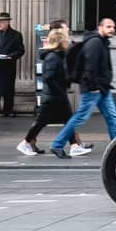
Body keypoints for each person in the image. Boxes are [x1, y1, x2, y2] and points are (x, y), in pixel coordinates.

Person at [51, 17, 116, 159]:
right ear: (99, 27)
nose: (111, 29)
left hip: (102, 88)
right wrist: (92, 86)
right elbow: (90, 66)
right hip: (93, 88)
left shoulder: (102, 42)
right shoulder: (95, 43)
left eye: (113, 27)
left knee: (112, 117)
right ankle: (57, 144)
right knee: (80, 117)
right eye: (108, 26)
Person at [19, 21, 90, 157]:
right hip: (53, 96)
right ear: (59, 42)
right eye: (64, 40)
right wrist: (60, 91)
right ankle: (26, 142)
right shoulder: (52, 57)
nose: (67, 42)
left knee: (64, 121)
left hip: (55, 95)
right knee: (43, 122)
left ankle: (74, 145)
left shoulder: (57, 56)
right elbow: (50, 77)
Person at [0, 12, 26, 117]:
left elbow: (21, 50)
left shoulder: (16, 35)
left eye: (2, 22)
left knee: (8, 89)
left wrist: (11, 56)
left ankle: (7, 110)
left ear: (7, 22)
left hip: (8, 65)